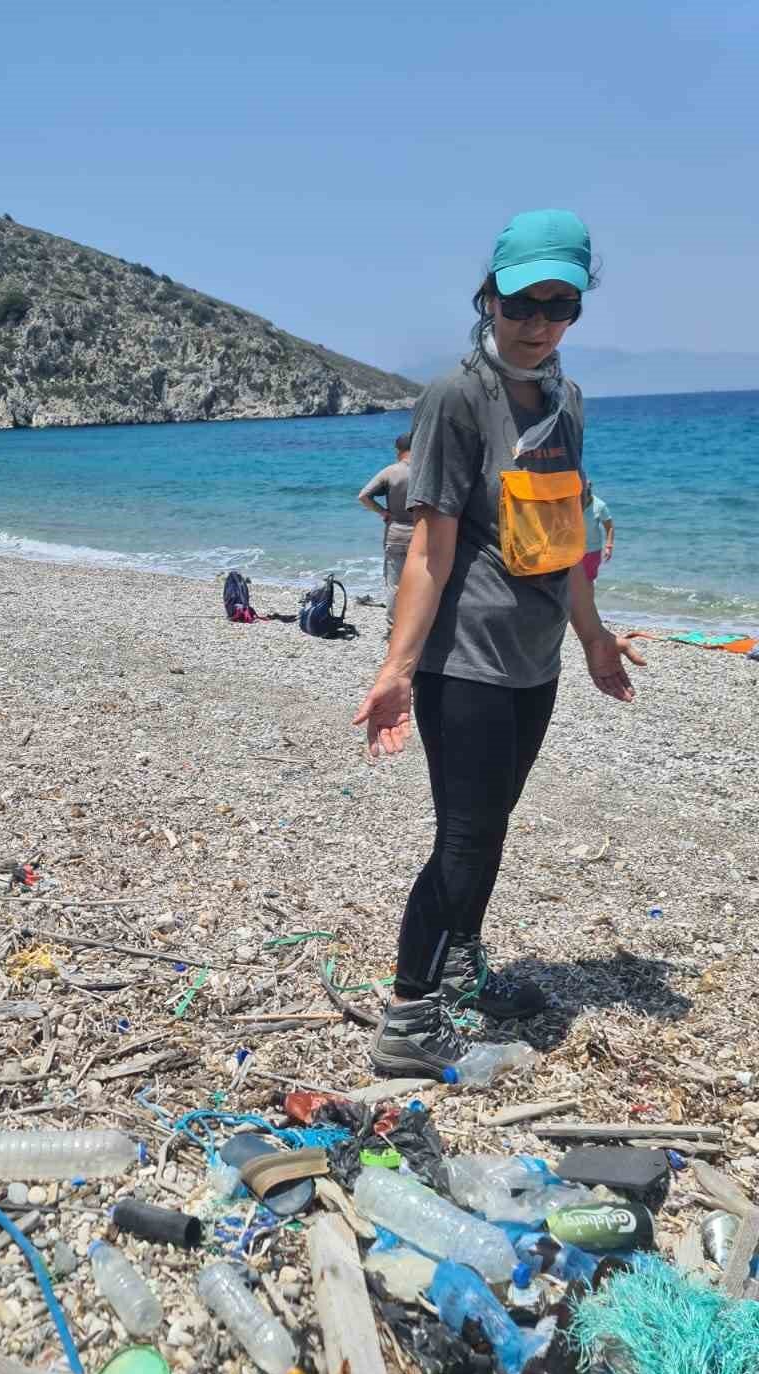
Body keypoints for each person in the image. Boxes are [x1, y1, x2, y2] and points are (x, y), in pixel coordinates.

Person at [352, 210, 645, 1078]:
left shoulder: (567, 400)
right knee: (467, 837)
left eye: (562, 306)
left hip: (535, 656)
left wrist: (592, 638)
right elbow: (431, 545)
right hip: (465, 657)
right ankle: (409, 1017)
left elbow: (569, 537)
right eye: (523, 303)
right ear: (490, 297)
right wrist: (396, 669)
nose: (540, 323)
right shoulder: (455, 398)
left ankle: (458, 964)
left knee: (492, 825)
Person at [358, 433, 414, 634]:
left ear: (398, 451)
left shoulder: (391, 472)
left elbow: (363, 496)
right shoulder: (427, 471)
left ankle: (393, 629)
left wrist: (383, 512)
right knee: (423, 583)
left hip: (396, 533)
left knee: (395, 584)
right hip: (422, 535)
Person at [582, 480, 615, 582]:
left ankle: (587, 598)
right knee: (571, 584)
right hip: (572, 551)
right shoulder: (572, 502)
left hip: (592, 550)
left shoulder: (600, 505)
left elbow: (609, 527)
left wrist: (608, 547)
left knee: (588, 581)